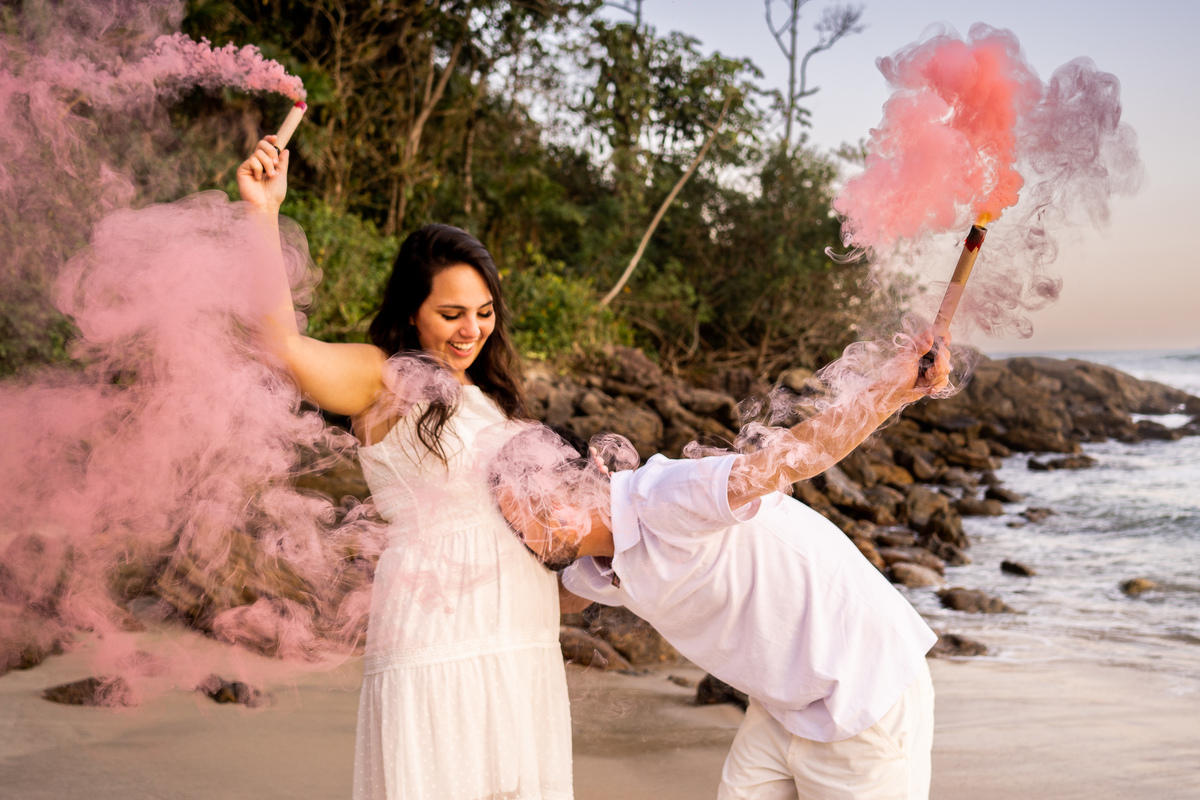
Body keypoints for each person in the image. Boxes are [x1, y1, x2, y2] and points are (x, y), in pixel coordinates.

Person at [237, 136, 573, 799]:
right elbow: (283, 348)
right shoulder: (382, 377)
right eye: (451, 314)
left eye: (484, 313)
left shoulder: (494, 398)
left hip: (523, 638)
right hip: (438, 638)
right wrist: (263, 212)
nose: (471, 329)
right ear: (412, 312)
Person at [490, 334, 951, 800]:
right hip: (783, 707)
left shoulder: (663, 495)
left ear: (585, 475)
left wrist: (894, 389)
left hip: (866, 688)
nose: (527, 528)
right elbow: (551, 600)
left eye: (533, 502)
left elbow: (793, 457)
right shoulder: (596, 564)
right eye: (515, 520)